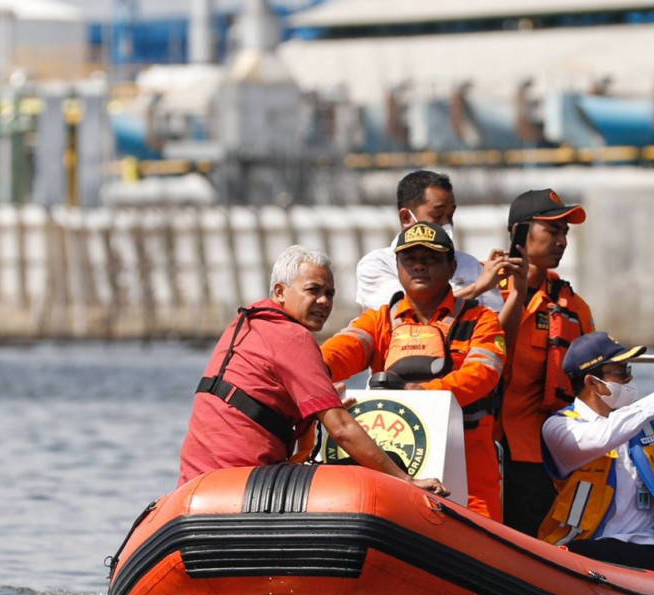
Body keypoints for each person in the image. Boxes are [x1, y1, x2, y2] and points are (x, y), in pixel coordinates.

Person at [177, 244, 449, 498]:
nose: (324, 302)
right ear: (280, 292)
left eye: (329, 293)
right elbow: (340, 428)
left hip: (193, 485)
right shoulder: (293, 337)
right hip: (240, 484)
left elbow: (259, 401)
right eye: (313, 290)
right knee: (358, 476)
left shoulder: (245, 325)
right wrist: (405, 480)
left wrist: (323, 402)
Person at [323, 222, 506, 520]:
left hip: (470, 468)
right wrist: (313, 372)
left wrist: (422, 395)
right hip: (397, 461)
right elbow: (340, 350)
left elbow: (483, 374)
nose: (419, 266)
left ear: (452, 267)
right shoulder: (379, 320)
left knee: (481, 546)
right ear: (397, 267)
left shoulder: (481, 319)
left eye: (431, 258)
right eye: (410, 259)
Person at [539, 332, 654, 577]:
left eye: (629, 368)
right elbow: (603, 436)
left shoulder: (646, 423)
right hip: (584, 545)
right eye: (621, 371)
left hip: (649, 547)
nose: (630, 377)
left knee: (633, 554)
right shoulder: (560, 427)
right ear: (592, 383)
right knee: (572, 558)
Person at [496, 188, 594, 536]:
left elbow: (593, 383)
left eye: (565, 232)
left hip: (545, 451)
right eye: (552, 230)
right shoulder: (487, 289)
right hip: (486, 446)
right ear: (520, 233)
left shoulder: (574, 307)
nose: (562, 240)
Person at [355, 169, 519, 314]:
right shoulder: (377, 264)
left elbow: (496, 330)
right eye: (437, 215)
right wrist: (476, 289)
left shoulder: (469, 265)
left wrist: (520, 288)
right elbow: (405, 313)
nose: (446, 224)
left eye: (450, 215)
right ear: (406, 218)